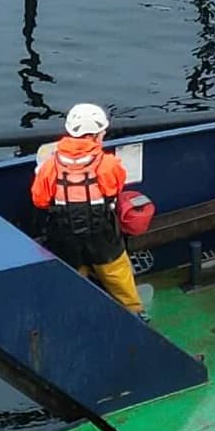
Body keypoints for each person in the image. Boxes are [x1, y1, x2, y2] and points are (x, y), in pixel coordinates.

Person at [30, 102, 142, 311]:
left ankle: (78, 317)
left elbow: (40, 200)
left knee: (73, 285)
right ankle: (135, 315)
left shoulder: (49, 167)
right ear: (95, 136)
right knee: (119, 278)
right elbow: (114, 190)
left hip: (65, 238)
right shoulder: (109, 164)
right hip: (103, 239)